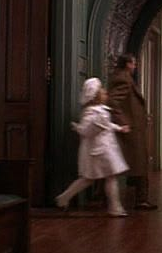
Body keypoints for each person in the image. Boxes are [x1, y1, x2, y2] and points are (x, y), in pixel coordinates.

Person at [55, 77, 130, 217]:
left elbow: (107, 125)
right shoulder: (91, 112)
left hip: (104, 148)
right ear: (95, 95)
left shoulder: (101, 110)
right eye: (102, 90)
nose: (105, 92)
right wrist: (97, 125)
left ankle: (64, 198)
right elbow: (85, 130)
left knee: (100, 177)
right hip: (97, 151)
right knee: (92, 178)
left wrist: (119, 128)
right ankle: (114, 207)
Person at [107, 53, 157, 210]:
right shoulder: (123, 78)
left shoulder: (124, 77)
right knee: (140, 164)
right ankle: (141, 200)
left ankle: (139, 199)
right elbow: (113, 101)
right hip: (130, 130)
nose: (135, 66)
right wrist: (123, 122)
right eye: (134, 63)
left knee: (137, 164)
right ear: (128, 64)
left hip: (134, 129)